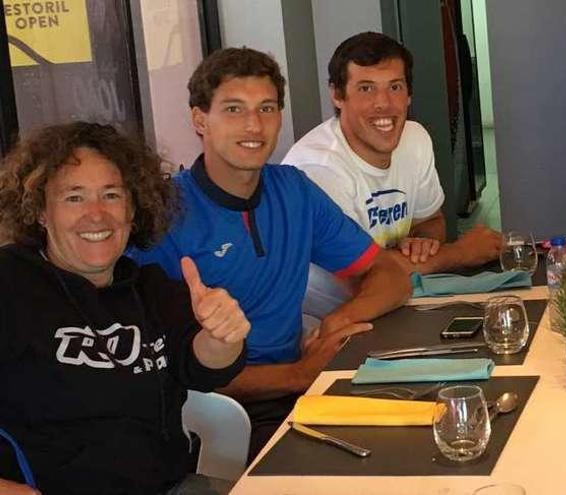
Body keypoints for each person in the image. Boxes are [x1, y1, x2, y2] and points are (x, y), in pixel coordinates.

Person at [130, 47, 412, 459]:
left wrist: (337, 322)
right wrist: (297, 374)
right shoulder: (165, 214)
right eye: (233, 109)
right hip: (220, 412)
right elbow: (167, 368)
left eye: (267, 108)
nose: (253, 125)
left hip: (299, 389)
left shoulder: (293, 190)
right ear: (199, 119)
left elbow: (389, 274)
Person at [0, 122, 249, 495]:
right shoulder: (10, 283)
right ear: (40, 212)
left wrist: (221, 336)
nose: (97, 214)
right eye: (74, 197)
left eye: (112, 195)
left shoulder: (151, 289)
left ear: (134, 209)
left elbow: (204, 368)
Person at [282, 32, 501, 315]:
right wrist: (460, 252)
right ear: (337, 95)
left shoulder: (415, 139)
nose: (383, 103)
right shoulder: (319, 169)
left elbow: (432, 220)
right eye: (366, 88)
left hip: (396, 306)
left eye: (395, 87)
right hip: (327, 324)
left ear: (409, 95)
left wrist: (423, 242)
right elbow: (367, 278)